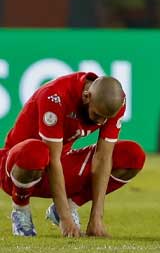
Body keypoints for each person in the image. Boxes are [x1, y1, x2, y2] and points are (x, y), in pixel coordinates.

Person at [0, 73, 146, 237]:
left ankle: (69, 205)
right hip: (16, 169)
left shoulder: (115, 101)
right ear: (86, 96)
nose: (100, 122)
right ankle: (20, 210)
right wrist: (66, 219)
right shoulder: (55, 96)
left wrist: (96, 218)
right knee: (36, 152)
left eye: (106, 118)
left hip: (58, 165)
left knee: (132, 155)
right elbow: (53, 160)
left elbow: (103, 158)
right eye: (97, 115)